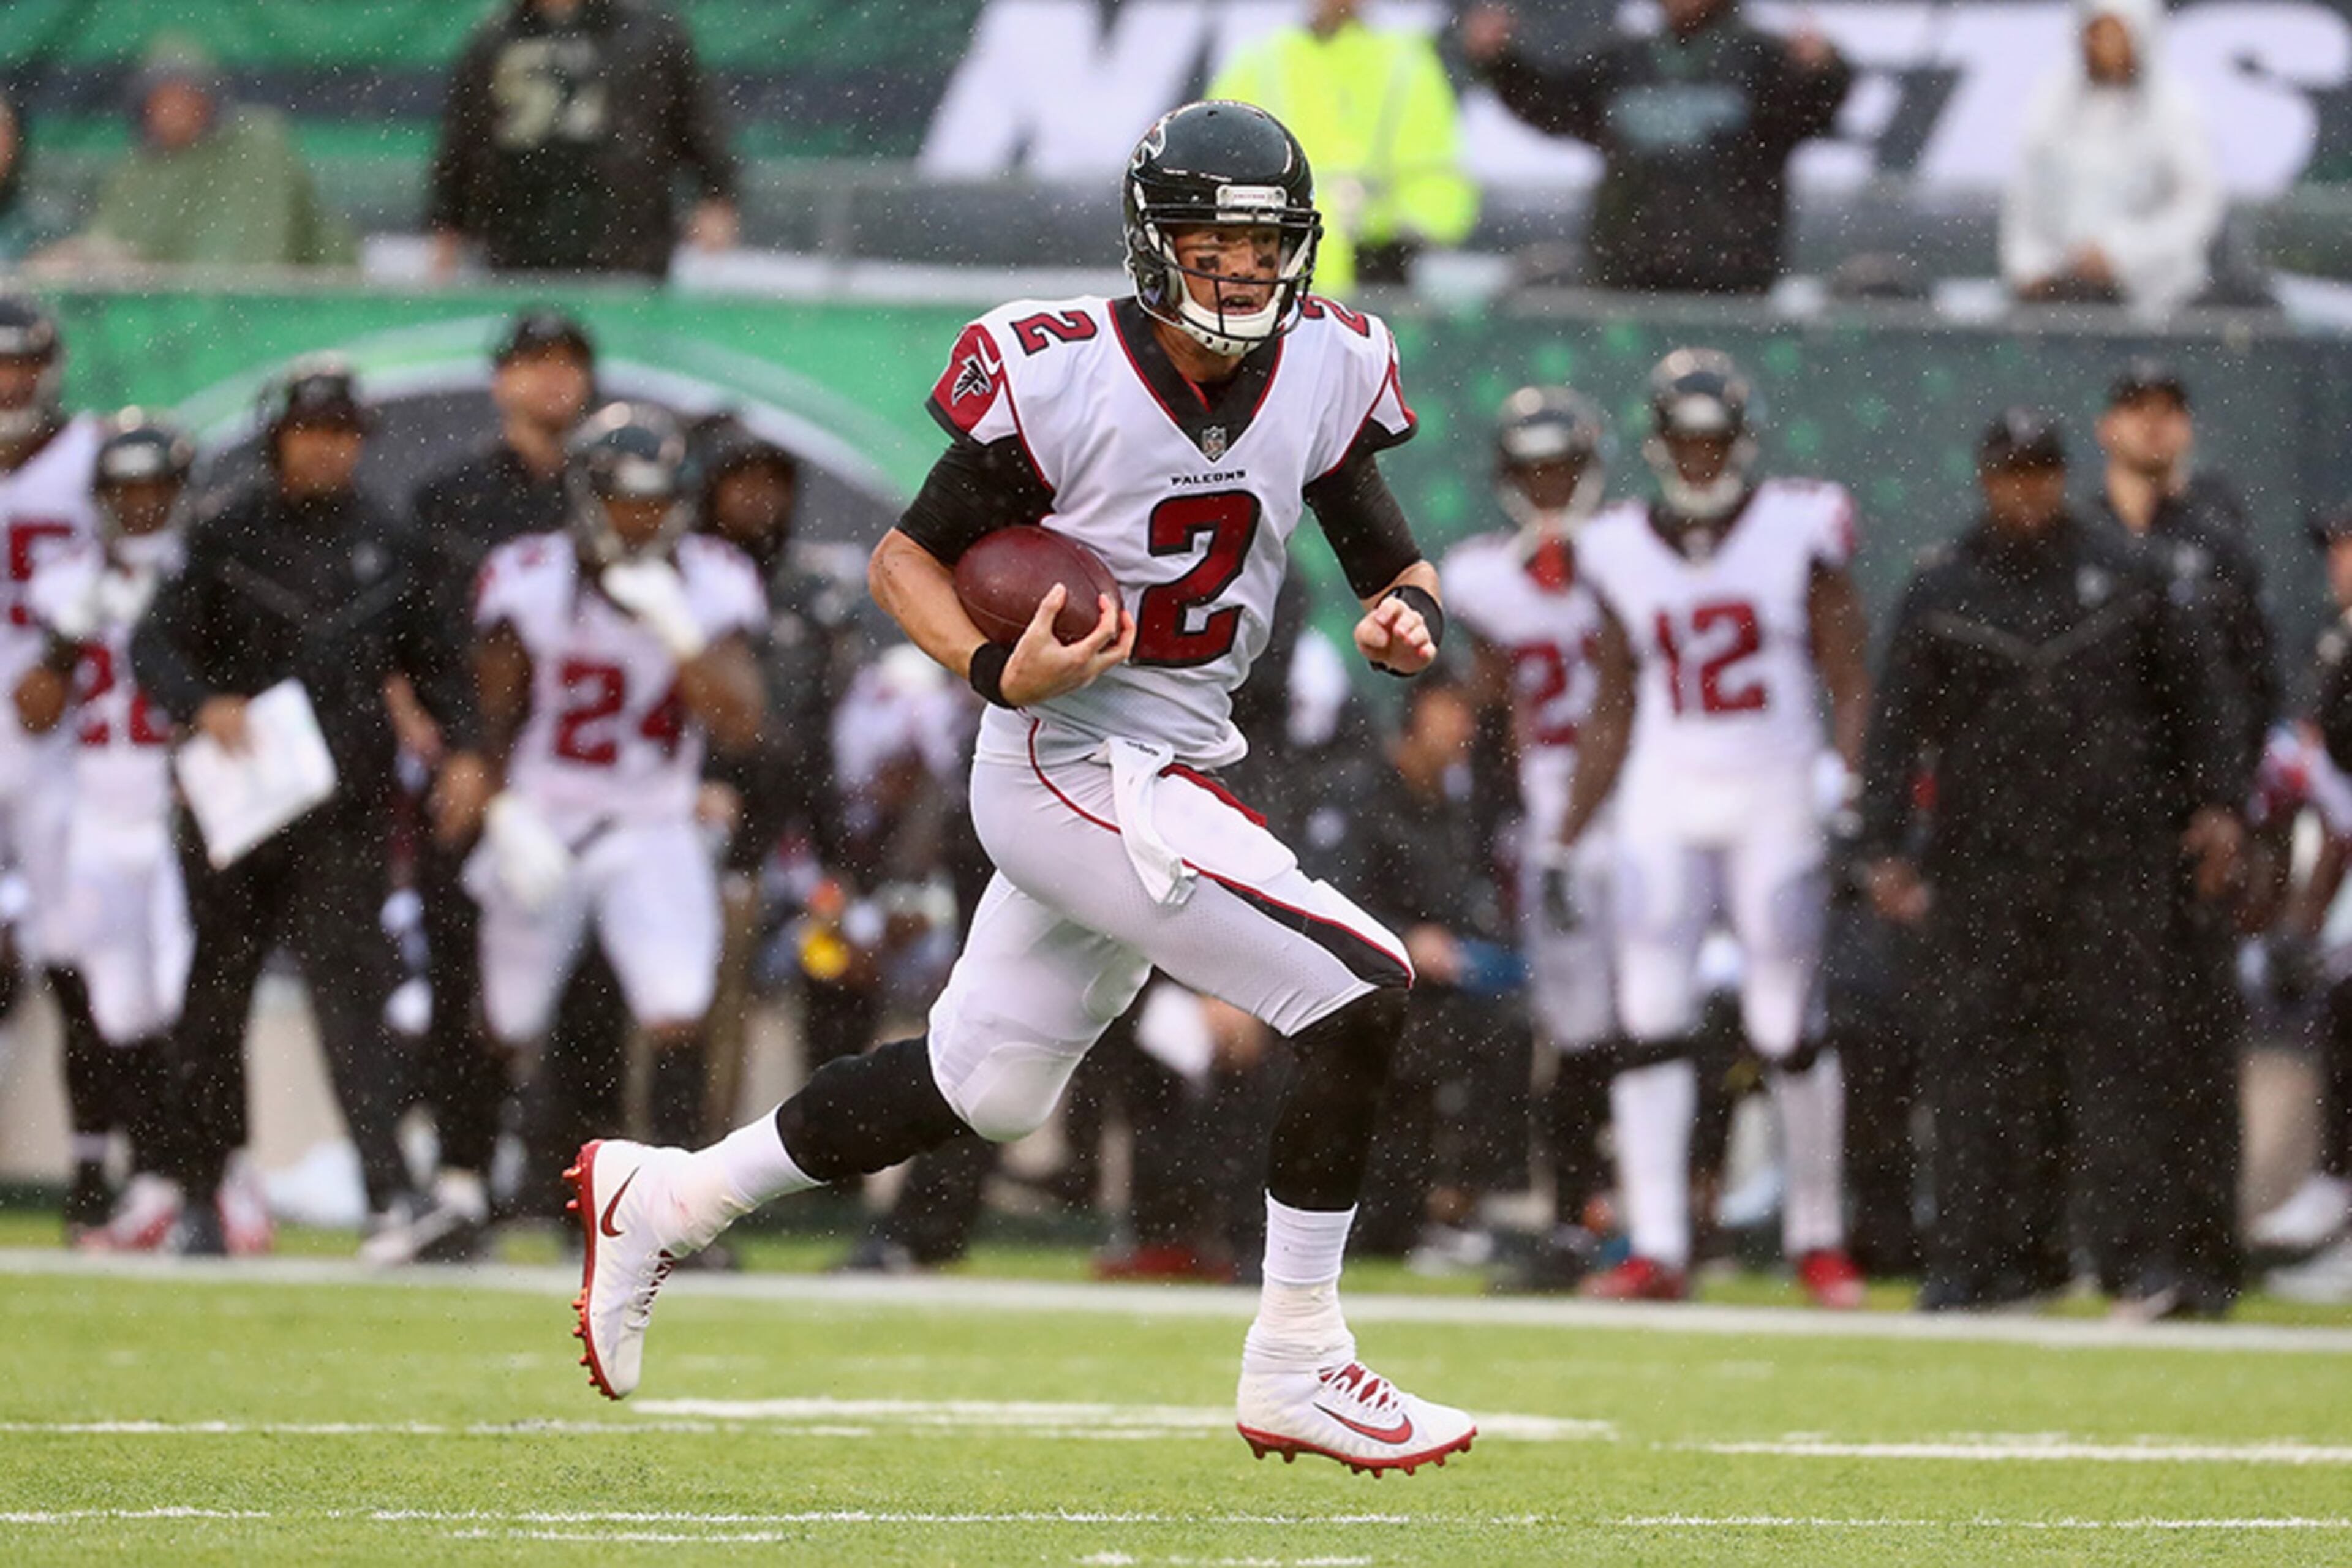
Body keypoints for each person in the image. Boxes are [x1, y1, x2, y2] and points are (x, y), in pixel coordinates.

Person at [564, 100, 1476, 1476]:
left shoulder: (1331, 360)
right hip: (1067, 760)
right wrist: (996, 666)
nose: (1241, 276)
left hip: (1171, 757)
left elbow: (1381, 549)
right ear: (1152, 242)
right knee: (1360, 985)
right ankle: (1301, 1354)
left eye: (1263, 248)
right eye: (1211, 247)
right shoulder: (1059, 372)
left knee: (980, 1084)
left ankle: (671, 1194)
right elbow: (903, 562)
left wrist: (1408, 613)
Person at [1856, 410, 2245, 1314]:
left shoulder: (2130, 576)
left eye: (2039, 473)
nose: (2025, 491)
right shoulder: (1945, 586)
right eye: (2010, 474)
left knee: (2123, 1054)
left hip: (2114, 851)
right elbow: (1895, 726)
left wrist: (2218, 805)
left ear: (2060, 476)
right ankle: (1981, 1259)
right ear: (1987, 479)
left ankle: (2134, 1259)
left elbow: (2197, 700)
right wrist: (1880, 843)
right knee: (1977, 1056)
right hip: (1985, 857)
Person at [130, 361, 491, 1254]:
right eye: (312, 430)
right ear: (279, 436)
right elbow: (154, 642)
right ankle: (205, 1195)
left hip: (344, 807)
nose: (328, 447)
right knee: (214, 1001)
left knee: (352, 999)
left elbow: (439, 658)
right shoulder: (224, 533)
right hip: (239, 806)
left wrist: (470, 753)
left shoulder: (389, 538)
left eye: (342, 431)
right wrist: (200, 704)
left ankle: (388, 1197)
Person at [1553, 349, 1872, 1307]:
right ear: (1658, 444)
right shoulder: (1614, 544)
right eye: (1686, 441)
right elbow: (1612, 698)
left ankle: (1819, 1236)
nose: (1699, 458)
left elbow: (1849, 673)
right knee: (1648, 1015)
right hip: (1664, 789)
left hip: (1774, 786)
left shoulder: (1798, 526)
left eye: (1714, 440)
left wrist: (1848, 782)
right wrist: (1570, 830)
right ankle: (1656, 1243)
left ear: (1742, 442)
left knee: (1784, 1019)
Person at [365, 309, 633, 1265]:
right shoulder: (453, 500)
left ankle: (582, 1198)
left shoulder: (617, 488)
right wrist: (455, 754)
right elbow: (407, 639)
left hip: (585, 782)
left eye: (569, 364)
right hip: (479, 778)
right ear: (502, 381)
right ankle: (462, 1182)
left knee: (595, 995)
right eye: (535, 364)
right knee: (468, 988)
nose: (553, 383)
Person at [469, 403, 765, 1185]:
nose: (643, 517)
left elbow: (740, 723)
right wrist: (501, 810)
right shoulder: (527, 575)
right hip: (546, 812)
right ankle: (464, 1188)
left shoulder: (710, 580)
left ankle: (674, 1202)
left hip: (652, 819)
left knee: (676, 1008)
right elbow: (489, 711)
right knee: (508, 1018)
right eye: (627, 499)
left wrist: (680, 633)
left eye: (658, 499)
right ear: (587, 496)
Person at [2091, 358, 2275, 1314]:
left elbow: (2251, 693)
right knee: (2109, 1045)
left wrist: (2234, 812)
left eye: (2170, 412)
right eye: (2138, 412)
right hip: (2096, 832)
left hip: (2194, 827)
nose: (2153, 430)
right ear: (2106, 426)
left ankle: (2205, 1254)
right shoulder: (2077, 541)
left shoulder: (2219, 544)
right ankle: (2123, 1251)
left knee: (2200, 1042)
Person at [1439, 386, 1618, 1291]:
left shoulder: (1635, 554)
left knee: (1667, 1013)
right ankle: (1578, 1221)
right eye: (1534, 469)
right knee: (1575, 1029)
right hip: (1548, 818)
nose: (1550, 484)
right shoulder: (1481, 577)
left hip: (1652, 801)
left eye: (1564, 466)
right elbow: (1484, 717)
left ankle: (1660, 1222)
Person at [16, 413, 194, 1251]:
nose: (142, 507)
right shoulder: (67, 580)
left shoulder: (203, 571)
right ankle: (149, 1179)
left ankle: (196, 1178)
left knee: (186, 997)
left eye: (156, 490)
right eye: (125, 492)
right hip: (93, 803)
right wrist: (67, 634)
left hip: (178, 802)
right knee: (115, 1008)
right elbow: (34, 709)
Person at [1460, 0, 1850, 295]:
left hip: (1733, 286)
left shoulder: (1762, 59)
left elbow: (1814, 109)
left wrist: (1825, 71)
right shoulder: (1623, 58)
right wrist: (1502, 64)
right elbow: (1555, 105)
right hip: (1628, 278)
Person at [0, 297, 110, 1242]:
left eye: (24, 363)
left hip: (55, 734)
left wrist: (63, 659)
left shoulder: (93, 464)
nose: (11, 383)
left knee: (74, 953)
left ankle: (91, 1164)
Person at [428, 0, 738, 279]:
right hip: (518, 239)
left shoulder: (650, 34)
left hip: (626, 240)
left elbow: (697, 119)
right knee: (533, 336)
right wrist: (447, 224)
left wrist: (717, 195)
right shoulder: (494, 39)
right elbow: (464, 137)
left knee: (621, 334)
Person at [1205, 0, 1477, 294]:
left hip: (1375, 277)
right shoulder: (1258, 65)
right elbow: (1215, 172)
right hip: (1277, 276)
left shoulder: (1407, 66)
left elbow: (1438, 180)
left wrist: (1396, 240)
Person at [56, 34, 354, 271]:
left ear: (211, 99)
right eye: (163, 98)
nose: (174, 110)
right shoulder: (134, 173)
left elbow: (249, 265)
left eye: (186, 95)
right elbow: (108, 247)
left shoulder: (256, 147)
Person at [2002, 0, 2221, 314]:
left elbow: (2196, 207)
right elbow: (2024, 197)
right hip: (2060, 297)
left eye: (2116, 35)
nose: (2105, 47)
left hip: (2159, 300)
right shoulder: (2049, 103)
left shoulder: (2174, 109)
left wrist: (2122, 253)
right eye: (2097, 33)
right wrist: (2032, 266)